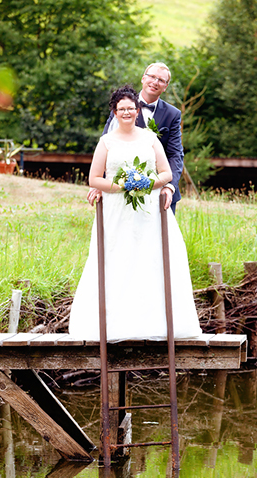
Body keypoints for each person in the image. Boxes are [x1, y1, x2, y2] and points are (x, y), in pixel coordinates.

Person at [69, 85, 202, 342]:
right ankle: (115, 325)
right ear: (115, 113)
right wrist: (120, 186)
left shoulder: (150, 139)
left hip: (149, 210)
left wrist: (145, 183)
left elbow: (165, 173)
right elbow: (94, 178)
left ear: (137, 110)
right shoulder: (106, 141)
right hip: (116, 210)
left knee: (150, 259)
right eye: (122, 109)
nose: (127, 112)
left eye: (131, 108)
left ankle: (155, 324)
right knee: (118, 258)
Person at [88, 62, 183, 214]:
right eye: (152, 77)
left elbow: (175, 154)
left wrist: (169, 186)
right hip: (119, 192)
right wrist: (100, 185)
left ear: (165, 86)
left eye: (161, 80)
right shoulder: (122, 105)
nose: (155, 82)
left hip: (159, 192)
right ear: (143, 78)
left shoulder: (172, 114)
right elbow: (107, 148)